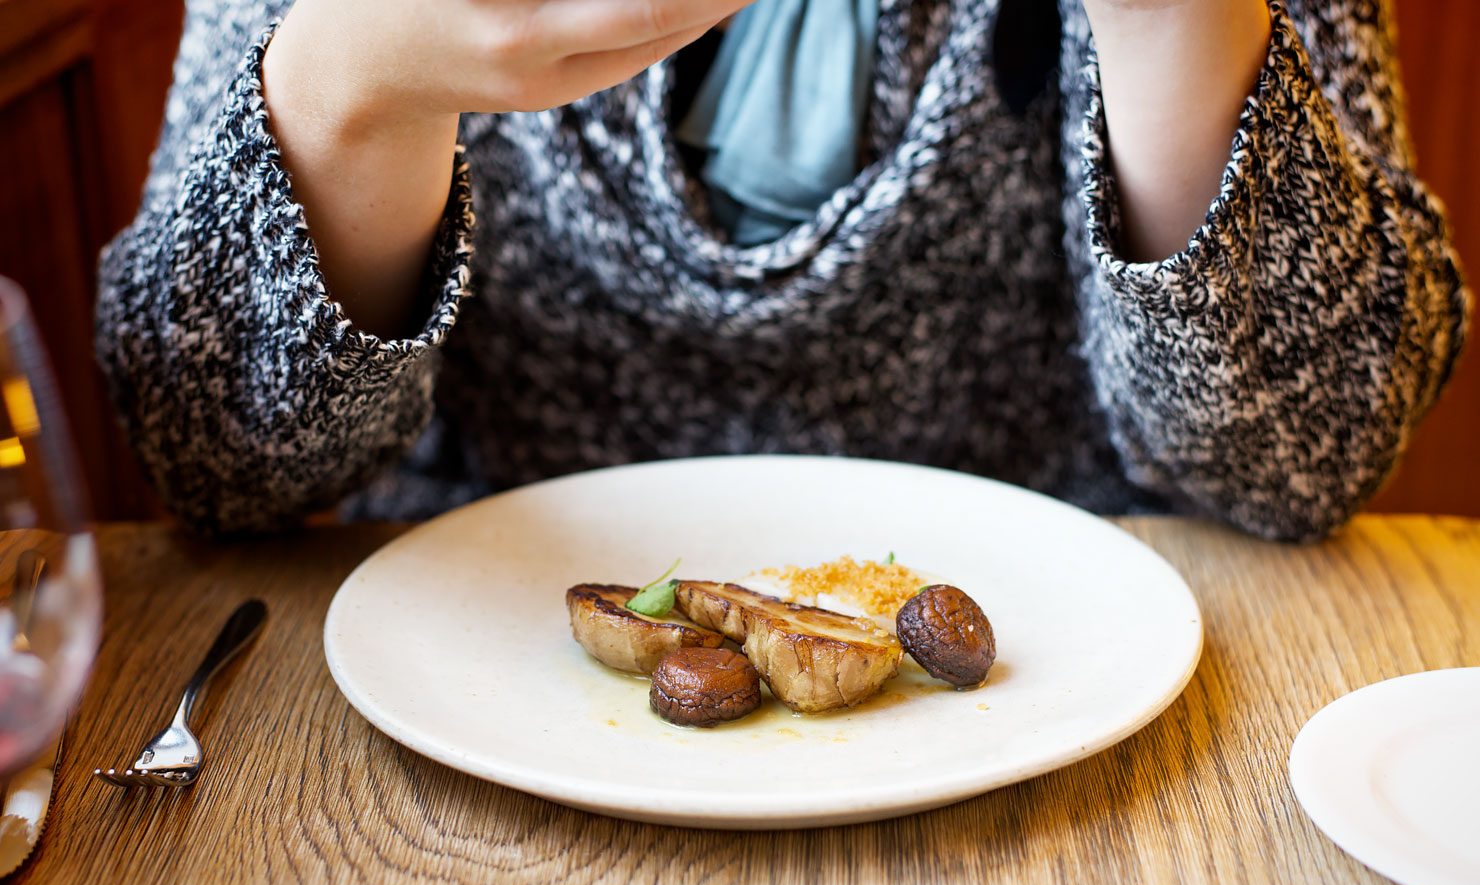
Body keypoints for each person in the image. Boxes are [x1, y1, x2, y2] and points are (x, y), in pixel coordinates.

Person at [95, 0, 1468, 540]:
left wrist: (1180, 20)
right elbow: (216, 461)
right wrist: (351, 82)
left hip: (1059, 707)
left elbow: (1300, 457)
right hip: (469, 670)